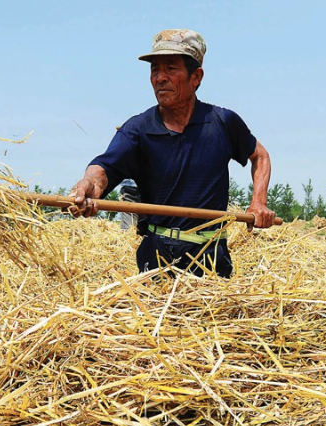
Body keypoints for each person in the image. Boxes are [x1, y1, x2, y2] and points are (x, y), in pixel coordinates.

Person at [68, 29, 275, 278]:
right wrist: (90, 185)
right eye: (155, 70)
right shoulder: (138, 129)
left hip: (212, 257)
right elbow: (103, 169)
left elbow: (260, 156)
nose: (160, 78)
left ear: (196, 77)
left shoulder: (223, 123)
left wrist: (259, 202)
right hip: (157, 257)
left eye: (170, 69)